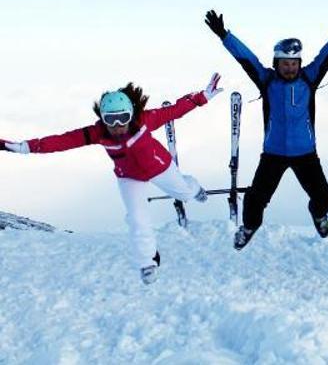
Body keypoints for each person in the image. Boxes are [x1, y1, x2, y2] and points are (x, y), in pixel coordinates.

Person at [1, 74, 224, 284]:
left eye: (123, 118)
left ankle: (194, 188)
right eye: (111, 120)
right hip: (129, 178)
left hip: (159, 167)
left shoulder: (145, 120)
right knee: (137, 218)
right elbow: (62, 141)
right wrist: (25, 147)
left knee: (184, 193)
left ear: (131, 114)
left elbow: (174, 111)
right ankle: (147, 261)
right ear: (102, 118)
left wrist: (202, 97)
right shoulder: (96, 133)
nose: (117, 125)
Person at [204, 4, 328, 250]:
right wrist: (225, 35)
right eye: (285, 63)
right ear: (277, 63)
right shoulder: (267, 81)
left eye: (294, 63)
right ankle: (249, 228)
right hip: (273, 154)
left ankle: (318, 215)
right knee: (255, 199)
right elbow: (246, 58)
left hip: (305, 154)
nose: (290, 67)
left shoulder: (309, 78)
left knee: (325, 197)